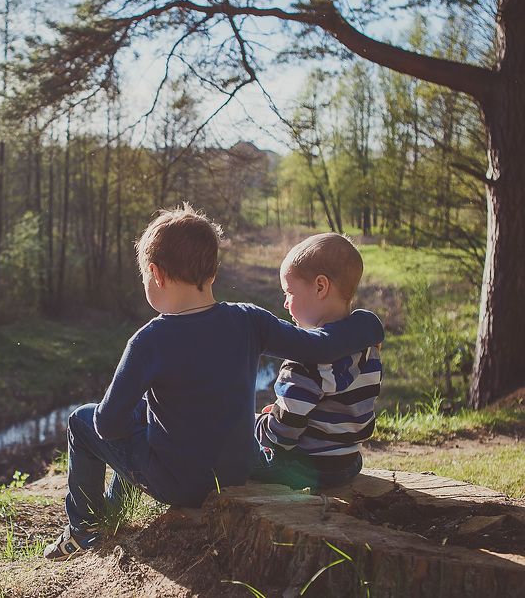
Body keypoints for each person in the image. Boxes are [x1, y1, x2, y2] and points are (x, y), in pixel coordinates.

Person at [43, 205, 384, 561]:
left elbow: (108, 425)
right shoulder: (249, 320)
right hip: (237, 469)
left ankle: (84, 529)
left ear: (156, 274)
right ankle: (114, 512)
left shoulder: (148, 341)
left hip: (179, 484)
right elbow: (320, 346)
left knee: (82, 420)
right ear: (214, 271)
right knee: (148, 417)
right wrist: (369, 323)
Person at [253, 233, 382, 490]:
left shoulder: (305, 360)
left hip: (305, 467)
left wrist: (262, 425)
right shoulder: (369, 347)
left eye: (289, 292)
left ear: (320, 287)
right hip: (348, 462)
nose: (285, 303)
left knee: (239, 449)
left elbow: (283, 436)